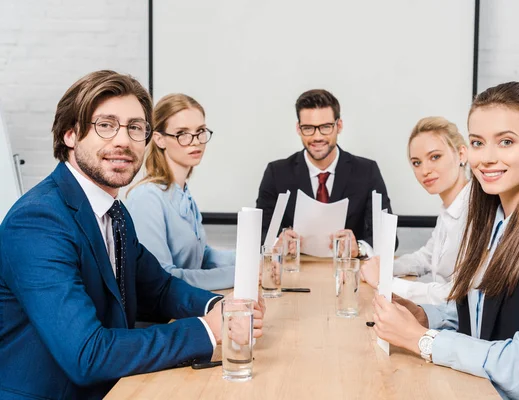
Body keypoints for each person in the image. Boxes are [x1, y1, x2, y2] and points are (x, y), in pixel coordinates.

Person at [0, 70, 264, 400]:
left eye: (135, 128)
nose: (123, 140)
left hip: (117, 387)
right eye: (106, 125)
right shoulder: (38, 221)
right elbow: (88, 354)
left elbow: (159, 287)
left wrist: (223, 305)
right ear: (70, 133)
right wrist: (208, 329)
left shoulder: (115, 211)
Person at [371, 81, 519, 399]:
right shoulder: (492, 221)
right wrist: (426, 316)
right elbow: (484, 314)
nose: (487, 158)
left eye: (506, 141)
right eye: (478, 142)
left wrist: (423, 340)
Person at [256, 89, 395, 258]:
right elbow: (259, 235)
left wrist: (358, 248)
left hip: (348, 275)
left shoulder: (366, 171)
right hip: (295, 275)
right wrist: (278, 242)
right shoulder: (277, 173)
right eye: (308, 128)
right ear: (298, 129)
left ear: (339, 126)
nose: (317, 137)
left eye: (325, 127)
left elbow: (389, 237)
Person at [126, 94, 235, 290]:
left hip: (188, 305)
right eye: (182, 133)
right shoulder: (147, 197)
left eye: (200, 131)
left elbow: (203, 256)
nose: (195, 141)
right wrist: (240, 274)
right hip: (164, 316)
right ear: (159, 139)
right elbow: (163, 277)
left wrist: (257, 259)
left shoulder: (182, 193)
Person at [360, 117, 470, 304]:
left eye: (435, 157)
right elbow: (425, 258)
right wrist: (386, 267)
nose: (424, 170)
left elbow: (455, 294)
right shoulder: (449, 209)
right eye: (417, 163)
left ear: (461, 154)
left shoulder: (476, 212)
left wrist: (385, 281)